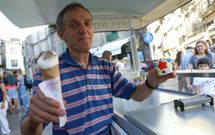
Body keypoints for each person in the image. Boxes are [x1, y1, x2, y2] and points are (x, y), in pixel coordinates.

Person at [20, 2, 175, 135]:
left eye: (87, 23)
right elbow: (29, 130)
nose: (83, 30)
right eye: (74, 25)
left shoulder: (106, 67)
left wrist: (151, 82)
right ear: (62, 34)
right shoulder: (50, 73)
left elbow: (136, 94)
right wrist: (34, 119)